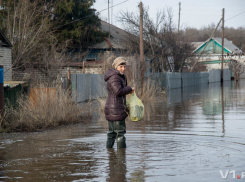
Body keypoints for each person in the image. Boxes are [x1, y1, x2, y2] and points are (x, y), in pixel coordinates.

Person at [104, 57, 134, 148]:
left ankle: (110, 153)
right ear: (116, 66)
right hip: (116, 110)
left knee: (112, 133)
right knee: (120, 133)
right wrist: (129, 88)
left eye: (124, 66)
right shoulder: (115, 77)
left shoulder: (115, 76)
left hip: (113, 109)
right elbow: (118, 91)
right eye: (121, 66)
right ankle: (121, 158)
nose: (123, 69)